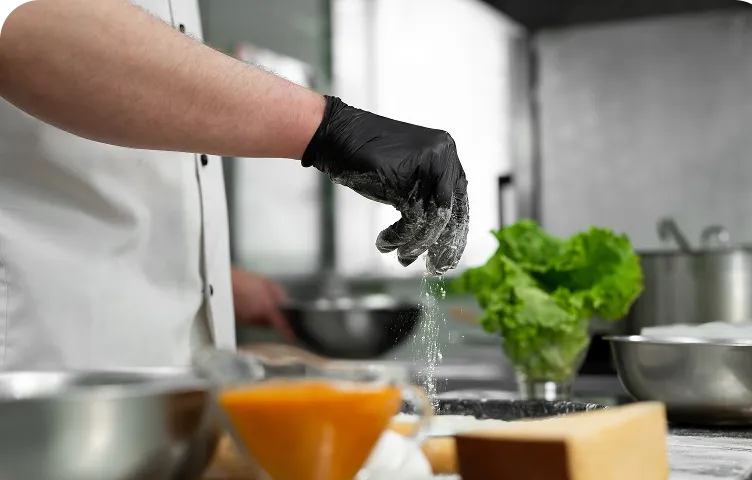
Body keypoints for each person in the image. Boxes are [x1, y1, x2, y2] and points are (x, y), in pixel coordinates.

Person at [0, 0, 469, 371]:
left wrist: (209, 274)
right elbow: (26, 19)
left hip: (159, 386)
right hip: (42, 368)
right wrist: (328, 128)